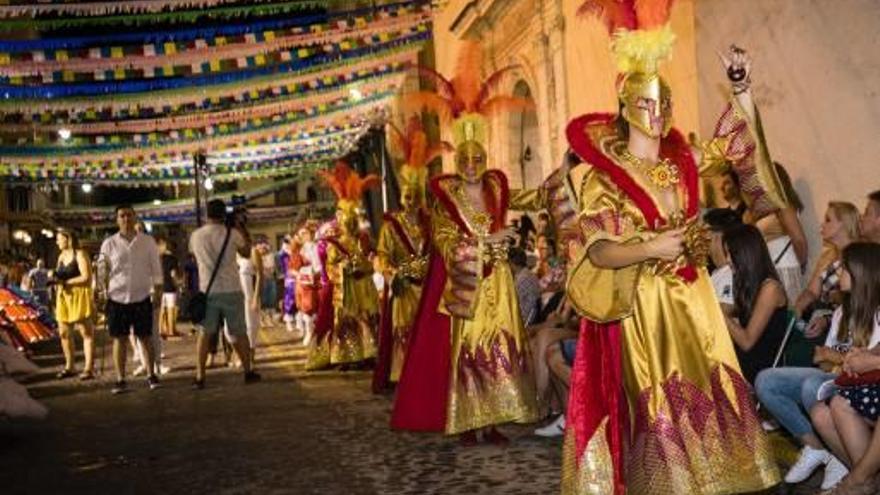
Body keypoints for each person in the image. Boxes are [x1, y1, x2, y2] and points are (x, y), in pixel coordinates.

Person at [561, 7, 779, 490]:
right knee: (658, 399)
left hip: (695, 299)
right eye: (648, 104)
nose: (658, 115)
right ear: (625, 105)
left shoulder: (681, 158)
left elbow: (732, 145)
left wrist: (741, 89)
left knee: (708, 390)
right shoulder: (604, 178)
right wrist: (651, 246)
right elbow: (597, 252)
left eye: (665, 105)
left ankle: (712, 480)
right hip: (646, 306)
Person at [392, 41, 539, 445]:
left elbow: (527, 197)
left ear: (485, 156)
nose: (472, 167)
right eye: (466, 160)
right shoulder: (446, 196)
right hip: (467, 285)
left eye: (478, 159)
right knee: (469, 353)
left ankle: (493, 421)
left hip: (499, 285)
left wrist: (561, 183)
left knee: (498, 350)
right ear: (459, 161)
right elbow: (443, 239)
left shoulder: (496, 185)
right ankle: (469, 423)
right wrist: (484, 240)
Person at [809, 242, 880, 494]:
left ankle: (857, 480)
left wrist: (866, 361)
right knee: (821, 410)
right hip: (865, 384)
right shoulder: (842, 310)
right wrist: (860, 357)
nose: (838, 275)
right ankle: (867, 482)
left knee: (825, 394)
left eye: (844, 269)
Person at [372, 116, 436, 393]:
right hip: (404, 288)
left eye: (415, 195)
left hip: (427, 287)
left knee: (426, 332)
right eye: (406, 196)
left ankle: (426, 372)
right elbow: (382, 256)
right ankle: (402, 375)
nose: (410, 200)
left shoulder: (430, 222)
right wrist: (393, 273)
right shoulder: (391, 225)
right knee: (403, 332)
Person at [306, 162, 380, 370]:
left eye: (352, 218)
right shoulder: (333, 241)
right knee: (346, 320)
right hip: (345, 288)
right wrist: (345, 267)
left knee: (367, 318)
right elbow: (330, 266)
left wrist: (367, 264)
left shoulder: (364, 239)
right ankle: (346, 355)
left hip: (363, 285)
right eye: (347, 217)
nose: (350, 222)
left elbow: (373, 256)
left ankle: (369, 353)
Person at [189, 199, 261, 388]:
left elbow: (193, 255)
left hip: (208, 290)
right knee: (239, 333)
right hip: (231, 289)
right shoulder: (232, 233)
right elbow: (246, 253)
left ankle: (200, 376)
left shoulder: (196, 236)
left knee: (204, 334)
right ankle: (248, 371)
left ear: (207, 214)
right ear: (223, 215)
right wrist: (239, 227)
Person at [97, 206, 162, 394]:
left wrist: (158, 289)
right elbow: (102, 270)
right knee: (120, 339)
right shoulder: (109, 244)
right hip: (116, 296)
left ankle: (151, 374)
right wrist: (100, 291)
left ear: (135, 217)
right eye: (121, 216)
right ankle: (120, 378)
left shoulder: (147, 241)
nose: (125, 218)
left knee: (145, 337)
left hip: (141, 295)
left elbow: (155, 267)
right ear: (117, 219)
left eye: (129, 215)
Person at [721, 224, 789, 383]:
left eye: (731, 254)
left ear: (746, 254)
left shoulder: (770, 288)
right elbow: (738, 310)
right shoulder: (750, 283)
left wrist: (720, 314)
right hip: (747, 360)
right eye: (726, 254)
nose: (728, 260)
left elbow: (747, 342)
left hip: (759, 368)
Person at [795, 201, 861, 338]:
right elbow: (812, 291)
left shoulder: (859, 258)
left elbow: (858, 303)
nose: (822, 224)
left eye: (828, 220)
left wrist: (827, 320)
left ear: (843, 223)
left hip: (847, 327)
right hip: (822, 319)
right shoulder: (828, 255)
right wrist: (798, 307)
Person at [52, 229, 96, 381]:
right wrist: (54, 279)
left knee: (86, 333)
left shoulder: (80, 254)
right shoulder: (61, 256)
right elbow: (59, 275)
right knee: (63, 333)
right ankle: (69, 366)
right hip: (63, 297)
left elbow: (87, 277)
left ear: (68, 239)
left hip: (79, 296)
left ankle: (88, 368)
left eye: (59, 239)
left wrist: (67, 282)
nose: (57, 242)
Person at [294, 224, 321, 345]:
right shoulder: (300, 250)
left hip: (318, 280)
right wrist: (300, 273)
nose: (304, 236)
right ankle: (309, 332)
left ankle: (319, 332)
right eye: (302, 234)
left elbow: (321, 264)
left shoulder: (318, 247)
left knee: (318, 306)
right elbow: (292, 267)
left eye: (306, 233)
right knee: (307, 308)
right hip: (305, 283)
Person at [238, 242, 263, 366]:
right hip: (236, 294)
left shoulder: (253, 251)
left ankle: (250, 354)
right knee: (232, 328)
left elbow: (260, 275)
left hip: (249, 294)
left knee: (250, 326)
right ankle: (238, 354)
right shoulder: (231, 252)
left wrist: (255, 297)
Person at [157, 237, 180, 339]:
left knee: (162, 309)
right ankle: (171, 330)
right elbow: (173, 274)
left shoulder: (159, 258)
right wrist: (177, 284)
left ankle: (160, 329)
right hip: (170, 286)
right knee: (171, 309)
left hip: (160, 286)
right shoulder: (173, 259)